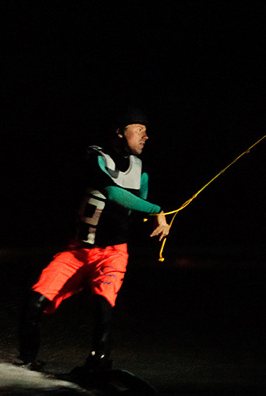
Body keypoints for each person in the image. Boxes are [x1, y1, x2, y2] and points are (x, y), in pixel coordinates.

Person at [15, 108, 170, 372]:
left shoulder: (141, 171)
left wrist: (155, 220)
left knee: (103, 305)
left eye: (146, 131)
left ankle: (99, 363)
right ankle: (27, 361)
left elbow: (136, 209)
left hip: (113, 254)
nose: (146, 137)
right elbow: (113, 193)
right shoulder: (94, 157)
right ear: (120, 132)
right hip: (77, 252)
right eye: (139, 130)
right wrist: (158, 211)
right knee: (34, 302)